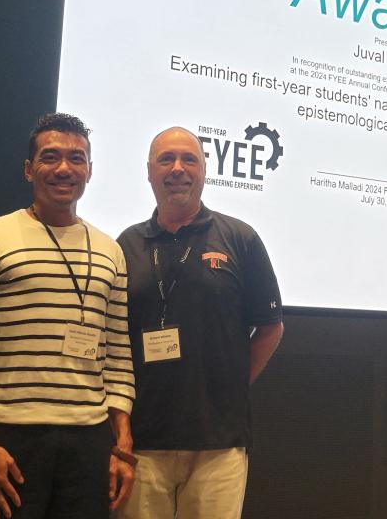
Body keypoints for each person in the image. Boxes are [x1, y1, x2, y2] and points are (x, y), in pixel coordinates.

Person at [0, 113, 136, 519]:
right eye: (50, 157)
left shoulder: (111, 251)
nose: (63, 169)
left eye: (76, 158)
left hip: (90, 441)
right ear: (28, 169)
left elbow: (119, 355)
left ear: (90, 170)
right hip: (10, 437)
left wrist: (121, 441)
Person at [114, 127, 284, 519]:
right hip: (142, 441)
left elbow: (271, 326)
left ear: (205, 170)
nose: (177, 169)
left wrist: (231, 385)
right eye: (166, 159)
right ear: (149, 171)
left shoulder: (240, 238)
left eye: (189, 159)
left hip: (219, 443)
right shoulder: (126, 245)